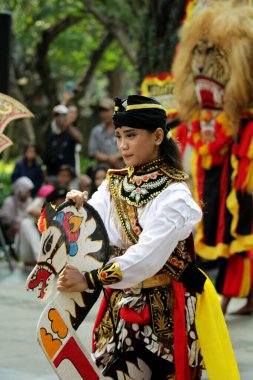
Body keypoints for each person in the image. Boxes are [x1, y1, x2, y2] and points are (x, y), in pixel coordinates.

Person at [57, 96, 239, 380]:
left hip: (165, 311)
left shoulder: (175, 194)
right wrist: (77, 211)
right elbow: (95, 227)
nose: (122, 145)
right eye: (119, 136)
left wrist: (89, 279)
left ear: (156, 136)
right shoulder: (114, 183)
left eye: (131, 135)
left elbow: (147, 256)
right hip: (120, 302)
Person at [44, 104, 83, 182]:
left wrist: (68, 124)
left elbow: (80, 139)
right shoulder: (52, 136)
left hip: (70, 177)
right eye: (56, 115)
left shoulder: (71, 132)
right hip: (53, 176)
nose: (59, 118)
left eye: (62, 115)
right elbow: (46, 158)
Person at [19, 184, 55, 266]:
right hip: (30, 253)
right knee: (26, 223)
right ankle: (42, 261)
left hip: (52, 257)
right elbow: (30, 210)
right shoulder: (40, 201)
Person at [88, 98, 123, 169]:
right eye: (101, 111)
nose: (104, 114)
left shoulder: (122, 128)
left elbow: (130, 147)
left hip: (122, 166)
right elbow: (93, 152)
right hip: (102, 170)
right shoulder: (96, 131)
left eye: (106, 110)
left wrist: (117, 156)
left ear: (114, 111)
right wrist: (110, 159)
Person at [0, 176, 34, 249]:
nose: (29, 194)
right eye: (27, 191)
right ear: (20, 190)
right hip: (12, 235)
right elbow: (4, 220)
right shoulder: (9, 202)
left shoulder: (29, 201)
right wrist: (14, 224)